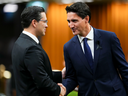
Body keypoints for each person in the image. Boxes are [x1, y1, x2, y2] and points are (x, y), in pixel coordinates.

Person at [62, 2, 128, 96]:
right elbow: (72, 78)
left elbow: (124, 69)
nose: (70, 25)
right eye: (68, 21)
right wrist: (63, 90)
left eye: (74, 21)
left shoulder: (109, 38)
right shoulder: (68, 47)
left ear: (86, 19)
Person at [12, 6, 66, 96]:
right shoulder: (31, 48)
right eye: (44, 21)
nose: (47, 25)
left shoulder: (19, 42)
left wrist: (61, 75)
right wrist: (59, 90)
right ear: (34, 23)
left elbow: (35, 74)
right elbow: (42, 81)